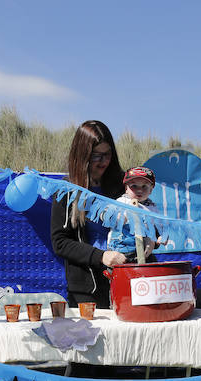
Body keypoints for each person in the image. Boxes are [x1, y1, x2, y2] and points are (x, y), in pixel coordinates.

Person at [51, 120, 128, 308]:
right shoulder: (66, 190)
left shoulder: (125, 184)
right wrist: (101, 256)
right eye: (96, 156)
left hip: (126, 281)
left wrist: (152, 239)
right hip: (86, 290)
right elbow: (60, 242)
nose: (104, 162)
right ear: (82, 155)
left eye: (107, 154)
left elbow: (146, 218)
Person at [107, 166, 159, 263]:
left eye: (144, 186)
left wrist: (157, 238)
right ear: (126, 188)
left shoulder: (152, 207)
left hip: (144, 249)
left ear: (151, 189)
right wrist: (119, 218)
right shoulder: (121, 202)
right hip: (121, 249)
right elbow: (110, 217)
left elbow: (156, 228)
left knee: (152, 265)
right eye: (134, 186)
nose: (139, 190)